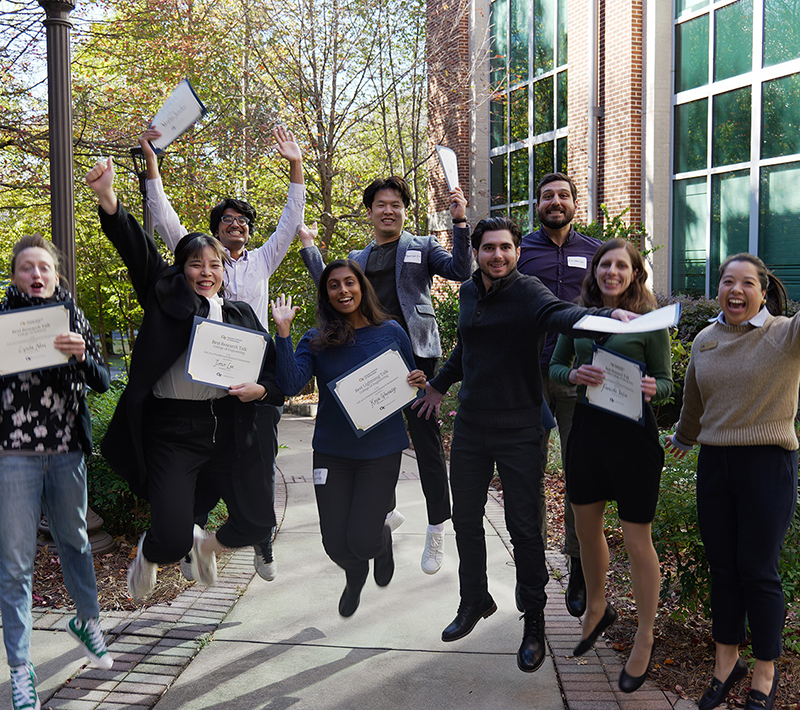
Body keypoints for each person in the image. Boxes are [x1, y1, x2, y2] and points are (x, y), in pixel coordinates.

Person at [412, 217, 637, 674]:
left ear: (517, 251)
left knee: (525, 530)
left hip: (520, 428)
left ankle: (534, 623)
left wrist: (605, 318)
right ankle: (474, 598)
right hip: (473, 426)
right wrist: (437, 385)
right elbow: (465, 348)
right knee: (466, 522)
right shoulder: (470, 291)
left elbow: (563, 314)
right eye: (489, 248)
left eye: (506, 248)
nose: (498, 256)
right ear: (476, 252)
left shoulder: (530, 290)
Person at [85, 157, 284, 603]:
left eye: (214, 264)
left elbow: (271, 373)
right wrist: (108, 198)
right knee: (171, 539)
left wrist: (263, 390)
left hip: (225, 428)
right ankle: (153, 551)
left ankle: (204, 544)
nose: (206, 271)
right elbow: (138, 249)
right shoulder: (165, 294)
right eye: (196, 263)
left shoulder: (241, 315)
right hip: (172, 431)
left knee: (256, 522)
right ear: (181, 269)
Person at [138, 124, 305, 582]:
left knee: (258, 461)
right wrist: (152, 167)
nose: (236, 226)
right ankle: (186, 538)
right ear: (210, 235)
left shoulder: (263, 260)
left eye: (243, 221)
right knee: (209, 472)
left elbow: (291, 220)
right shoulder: (197, 265)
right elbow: (165, 216)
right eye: (227, 221)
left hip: (250, 381)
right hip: (202, 384)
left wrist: (295, 166)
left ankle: (260, 541)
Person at [301, 176, 472, 575]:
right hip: (369, 361)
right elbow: (330, 284)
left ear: (403, 210)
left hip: (414, 358)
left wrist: (460, 223)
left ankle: (436, 527)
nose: (389, 210)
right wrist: (309, 247)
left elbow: (461, 270)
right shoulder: (357, 258)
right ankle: (383, 512)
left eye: (396, 203)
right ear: (370, 211)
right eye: (381, 204)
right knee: (373, 439)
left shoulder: (422, 247)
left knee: (426, 444)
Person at [665, 254, 798, 710]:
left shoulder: (784, 334)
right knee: (723, 568)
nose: (736, 291)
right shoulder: (705, 339)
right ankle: (727, 663)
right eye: (727, 282)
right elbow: (694, 401)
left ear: (764, 291)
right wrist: (683, 437)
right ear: (718, 288)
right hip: (716, 464)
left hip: (768, 464)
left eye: (747, 284)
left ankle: (765, 670)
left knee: (757, 570)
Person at [549, 238, 672, 693]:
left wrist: (651, 388)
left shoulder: (651, 321)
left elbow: (667, 381)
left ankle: (645, 634)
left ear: (635, 272)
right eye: (605, 264)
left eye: (622, 265)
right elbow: (556, 366)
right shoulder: (577, 317)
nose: (612, 272)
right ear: (595, 271)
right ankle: (598, 608)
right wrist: (574, 376)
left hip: (634, 439)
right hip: (589, 433)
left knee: (638, 538)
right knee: (586, 530)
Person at [271, 258, 426, 616]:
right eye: (334, 285)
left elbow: (407, 390)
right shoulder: (316, 339)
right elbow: (292, 384)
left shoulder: (391, 331)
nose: (343, 290)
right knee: (335, 545)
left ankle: (380, 541)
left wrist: (418, 385)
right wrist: (283, 334)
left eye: (349, 282)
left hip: (380, 451)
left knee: (362, 538)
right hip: (332, 452)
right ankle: (355, 573)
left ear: (362, 287)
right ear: (326, 295)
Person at [0, 235, 112, 710]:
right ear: (14, 277)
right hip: (15, 455)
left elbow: (103, 381)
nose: (37, 275)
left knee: (76, 542)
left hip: (67, 451)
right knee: (16, 563)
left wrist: (81, 353)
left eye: (44, 267)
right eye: (27, 268)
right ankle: (21, 670)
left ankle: (88, 621)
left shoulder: (72, 317)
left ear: (56, 274)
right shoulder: (1, 323)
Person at [517, 172, 602, 618]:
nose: (556, 201)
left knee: (580, 473)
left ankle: (577, 567)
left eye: (563, 195)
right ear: (537, 205)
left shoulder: (594, 254)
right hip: (527, 376)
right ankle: (533, 566)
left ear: (574, 203)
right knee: (527, 473)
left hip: (575, 375)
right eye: (547, 195)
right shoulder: (519, 252)